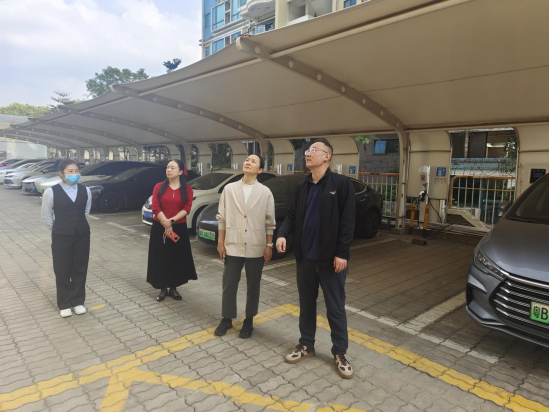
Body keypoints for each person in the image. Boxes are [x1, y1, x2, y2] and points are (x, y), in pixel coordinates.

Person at [276, 139, 356, 379]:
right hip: (305, 259)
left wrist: (342, 253)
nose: (307, 154)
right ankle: (306, 345)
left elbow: (347, 222)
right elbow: (292, 215)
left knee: (335, 308)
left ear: (327, 156)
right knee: (306, 305)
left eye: (313, 150)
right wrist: (282, 233)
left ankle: (340, 352)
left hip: (331, 261)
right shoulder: (303, 186)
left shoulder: (341, 184)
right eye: (307, 150)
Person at [214, 154, 276, 338]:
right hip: (233, 244)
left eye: (253, 161)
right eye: (247, 159)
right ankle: (227, 318)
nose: (248, 162)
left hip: (256, 246)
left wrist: (269, 245)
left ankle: (249, 320)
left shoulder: (265, 192)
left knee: (253, 285)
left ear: (260, 170)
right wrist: (220, 242)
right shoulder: (229, 189)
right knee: (229, 284)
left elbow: (270, 222)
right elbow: (222, 218)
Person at [41, 159, 92, 318]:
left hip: (82, 235)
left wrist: (77, 225)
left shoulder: (85, 190)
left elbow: (86, 211)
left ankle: (78, 302)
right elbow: (46, 215)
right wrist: (58, 229)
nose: (74, 174)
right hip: (61, 236)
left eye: (76, 171)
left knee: (80, 268)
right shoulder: (51, 192)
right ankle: (64, 304)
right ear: (61, 174)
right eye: (70, 171)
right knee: (62, 269)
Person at [147, 159, 197, 301]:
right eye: (167, 167)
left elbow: (186, 208)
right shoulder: (159, 187)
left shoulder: (187, 189)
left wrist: (172, 221)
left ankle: (174, 288)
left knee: (176, 258)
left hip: (178, 227)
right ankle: (162, 288)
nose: (168, 170)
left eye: (172, 168)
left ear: (180, 172)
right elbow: (155, 207)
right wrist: (166, 223)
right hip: (160, 228)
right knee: (161, 257)